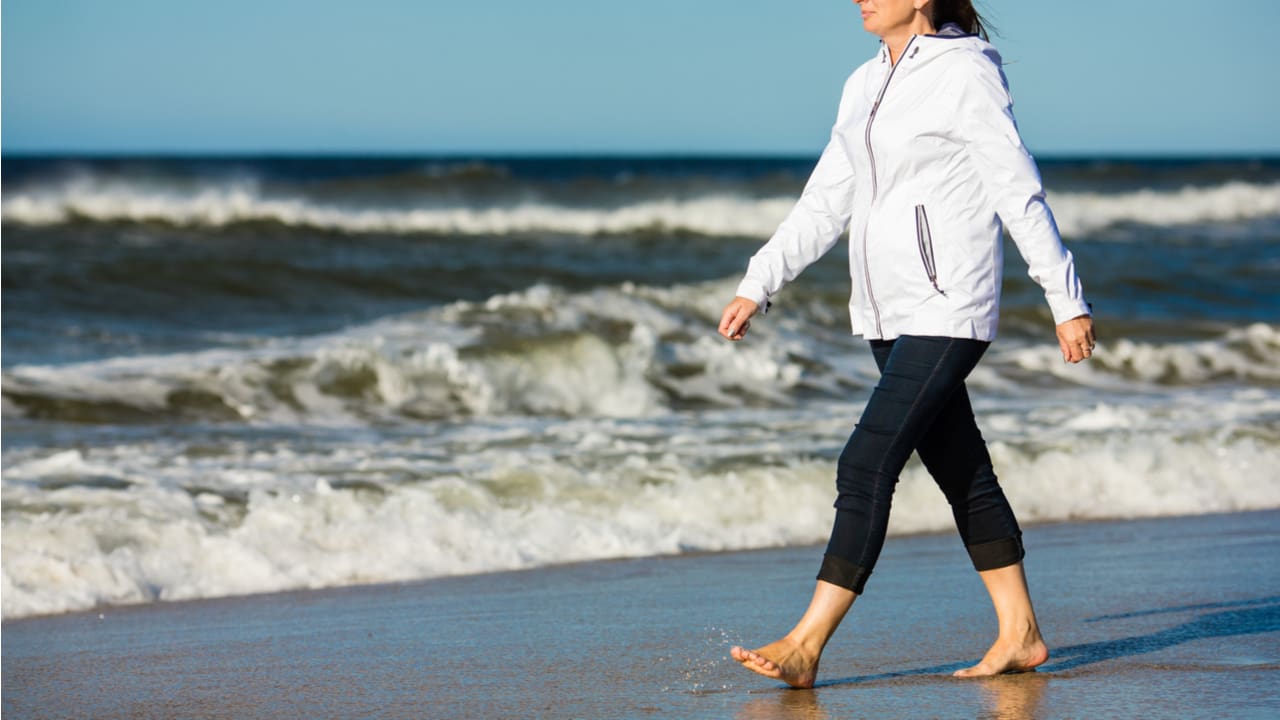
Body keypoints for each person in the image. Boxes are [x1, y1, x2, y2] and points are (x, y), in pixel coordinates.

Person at [718, 0, 1096, 688]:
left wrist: (1064, 299)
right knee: (962, 469)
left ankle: (806, 642)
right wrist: (759, 281)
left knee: (865, 462)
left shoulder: (966, 71)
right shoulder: (863, 83)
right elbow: (827, 198)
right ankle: (1022, 633)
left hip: (949, 302)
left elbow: (1017, 185)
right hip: (886, 310)